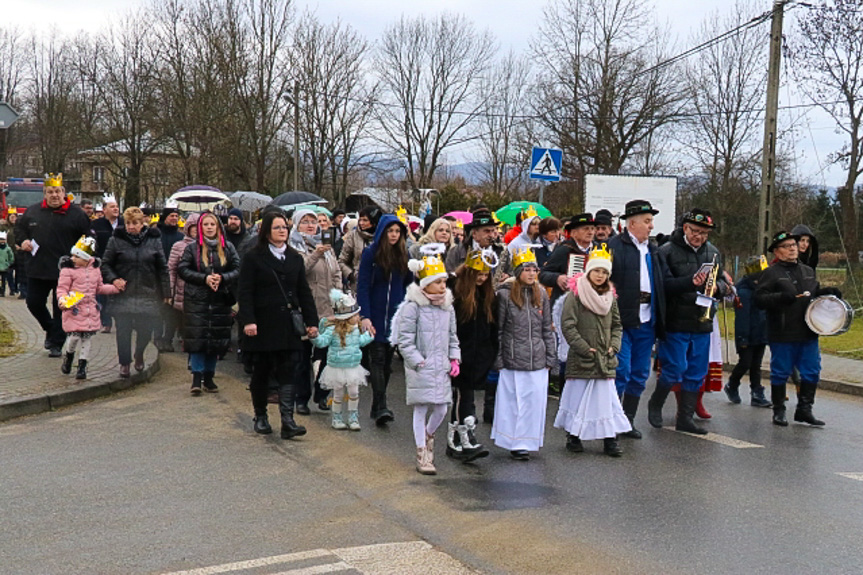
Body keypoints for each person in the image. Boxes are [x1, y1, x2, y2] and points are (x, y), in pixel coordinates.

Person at [238, 211, 319, 439]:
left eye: (284, 227)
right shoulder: (254, 257)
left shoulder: (294, 258)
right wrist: (249, 320)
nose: (282, 231)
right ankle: (261, 416)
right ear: (266, 231)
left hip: (287, 325)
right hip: (262, 325)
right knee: (262, 372)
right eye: (277, 228)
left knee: (288, 372)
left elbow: (304, 291)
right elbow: (245, 292)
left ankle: (287, 420)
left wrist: (311, 322)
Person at [647, 208, 727, 435]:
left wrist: (719, 288)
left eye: (704, 233)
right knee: (675, 368)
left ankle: (686, 417)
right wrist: (690, 282)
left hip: (702, 320)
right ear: (685, 228)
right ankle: (656, 403)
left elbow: (722, 280)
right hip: (676, 320)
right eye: (695, 231)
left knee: (696, 371)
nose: (699, 236)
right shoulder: (667, 251)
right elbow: (663, 286)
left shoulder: (712, 252)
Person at [755, 230, 840, 427]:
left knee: (812, 371)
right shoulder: (771, 273)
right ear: (777, 251)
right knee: (780, 371)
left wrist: (826, 293)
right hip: (783, 331)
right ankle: (779, 410)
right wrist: (779, 298)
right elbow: (759, 299)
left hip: (808, 330)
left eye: (794, 244)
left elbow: (812, 295)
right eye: (787, 246)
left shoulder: (807, 271)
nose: (792, 248)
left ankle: (804, 409)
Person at [554, 246, 629, 457]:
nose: (600, 275)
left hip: (605, 356)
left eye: (604, 272)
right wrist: (584, 348)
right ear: (589, 271)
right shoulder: (576, 295)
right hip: (583, 356)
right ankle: (573, 435)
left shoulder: (610, 297)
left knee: (606, 400)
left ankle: (609, 438)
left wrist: (614, 345)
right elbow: (568, 325)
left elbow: (617, 325)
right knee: (577, 398)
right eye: (597, 271)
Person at [393, 249, 460, 475]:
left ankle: (429, 435)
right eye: (438, 282)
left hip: (440, 367)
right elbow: (405, 339)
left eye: (444, 282)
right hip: (421, 366)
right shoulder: (413, 307)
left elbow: (452, 336)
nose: (443, 286)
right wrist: (417, 361)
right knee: (421, 407)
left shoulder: (447, 307)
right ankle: (422, 451)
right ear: (425, 283)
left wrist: (454, 358)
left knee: (441, 408)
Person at [14, 173, 92, 357]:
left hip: (65, 272)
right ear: (45, 194)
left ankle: (56, 343)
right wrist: (23, 240)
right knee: (33, 303)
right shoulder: (32, 212)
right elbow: (19, 229)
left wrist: (81, 257)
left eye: (57, 191)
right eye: (50, 192)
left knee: (62, 309)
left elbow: (88, 237)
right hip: (37, 268)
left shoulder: (77, 214)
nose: (54, 195)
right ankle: (51, 328)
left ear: (64, 192)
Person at [607, 200, 666, 439]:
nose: (651, 226)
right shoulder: (613, 246)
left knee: (640, 372)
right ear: (632, 223)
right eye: (647, 221)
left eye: (651, 221)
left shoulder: (654, 249)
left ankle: (628, 420)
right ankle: (612, 418)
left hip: (647, 318)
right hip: (622, 318)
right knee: (621, 370)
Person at [491, 246, 557, 460]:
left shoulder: (541, 296)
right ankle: (513, 440)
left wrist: (550, 356)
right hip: (513, 357)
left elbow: (547, 327)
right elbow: (499, 330)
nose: (531, 274)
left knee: (533, 402)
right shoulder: (505, 295)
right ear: (518, 271)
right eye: (526, 269)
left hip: (537, 357)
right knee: (513, 402)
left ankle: (529, 440)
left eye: (534, 270)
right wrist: (499, 358)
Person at [101, 207, 170, 378]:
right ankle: (124, 363)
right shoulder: (116, 240)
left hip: (147, 292)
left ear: (143, 223)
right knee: (123, 330)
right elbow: (105, 264)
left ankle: (139, 353)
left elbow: (162, 268)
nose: (131, 227)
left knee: (145, 330)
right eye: (129, 223)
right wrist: (114, 279)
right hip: (123, 293)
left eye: (135, 223)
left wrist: (166, 292)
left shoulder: (154, 240)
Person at [356, 213, 412, 425]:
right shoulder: (371, 254)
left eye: (397, 231)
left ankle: (377, 405)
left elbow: (408, 284)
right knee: (377, 359)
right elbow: (362, 285)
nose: (394, 235)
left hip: (395, 316)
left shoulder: (403, 255)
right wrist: (365, 315)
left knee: (387, 363)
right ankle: (381, 405)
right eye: (390, 231)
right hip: (376, 313)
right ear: (382, 231)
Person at [177, 212, 241, 394]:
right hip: (198, 300)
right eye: (206, 224)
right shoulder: (192, 249)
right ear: (200, 227)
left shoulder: (227, 247)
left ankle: (210, 376)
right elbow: (183, 269)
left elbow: (237, 268)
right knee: (198, 339)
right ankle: (196, 377)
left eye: (213, 224)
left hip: (220, 299)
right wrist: (204, 278)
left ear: (218, 226)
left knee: (216, 340)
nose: (210, 227)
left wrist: (222, 278)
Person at [290, 208, 343, 413]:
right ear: (297, 225)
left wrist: (338, 293)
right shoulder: (293, 246)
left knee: (326, 356)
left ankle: (321, 394)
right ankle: (301, 398)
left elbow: (336, 271)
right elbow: (299, 271)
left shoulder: (327, 247)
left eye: (314, 221)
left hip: (328, 308)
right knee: (302, 357)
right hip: (306, 308)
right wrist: (315, 254)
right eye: (305, 221)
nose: (311, 225)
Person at [446, 249, 497, 462]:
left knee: (465, 395)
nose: (482, 278)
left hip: (480, 353)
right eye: (478, 274)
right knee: (462, 394)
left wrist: (490, 352)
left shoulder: (488, 295)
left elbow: (492, 326)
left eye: (485, 275)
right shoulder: (456, 291)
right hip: (460, 352)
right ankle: (462, 439)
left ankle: (459, 438)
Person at [56, 236, 120, 379]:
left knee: (86, 338)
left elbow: (99, 288)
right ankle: (69, 356)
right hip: (74, 308)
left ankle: (82, 365)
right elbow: (62, 288)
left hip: (90, 309)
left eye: (76, 256)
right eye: (72, 255)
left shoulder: (95, 270)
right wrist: (62, 300)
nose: (73, 258)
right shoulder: (68, 270)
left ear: (85, 258)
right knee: (74, 336)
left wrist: (115, 289)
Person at [311, 289, 374, 431]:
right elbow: (322, 342)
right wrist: (315, 337)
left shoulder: (356, 330)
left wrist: (369, 335)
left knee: (354, 393)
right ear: (347, 317)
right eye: (356, 315)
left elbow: (361, 342)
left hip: (353, 366)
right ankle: (337, 418)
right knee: (338, 394)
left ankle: (353, 418)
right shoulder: (332, 330)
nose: (358, 317)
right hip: (336, 367)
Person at [724, 256, 772, 408]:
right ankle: (732, 384)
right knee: (745, 363)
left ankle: (757, 392)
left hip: (761, 333)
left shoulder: (763, 290)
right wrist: (742, 338)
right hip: (747, 334)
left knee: (756, 365)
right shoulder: (744, 292)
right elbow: (742, 318)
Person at [540, 213, 596, 303]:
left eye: (592, 229)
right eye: (586, 229)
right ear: (574, 233)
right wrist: (557, 278)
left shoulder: (599, 250)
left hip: (591, 302)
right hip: (567, 302)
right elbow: (543, 274)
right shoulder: (564, 250)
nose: (590, 232)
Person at [445, 208, 510, 285]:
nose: (491, 235)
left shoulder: (501, 250)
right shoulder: (457, 251)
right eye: (487, 231)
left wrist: (508, 275)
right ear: (474, 234)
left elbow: (511, 271)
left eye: (493, 231)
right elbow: (449, 277)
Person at [166, 213, 200, 352]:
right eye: (194, 228)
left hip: (198, 289)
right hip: (181, 288)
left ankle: (191, 342)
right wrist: (170, 290)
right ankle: (169, 340)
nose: (197, 231)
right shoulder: (178, 246)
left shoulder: (207, 246)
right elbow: (171, 269)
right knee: (176, 318)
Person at [91, 194, 123, 333]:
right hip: (102, 264)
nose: (116, 209)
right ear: (104, 210)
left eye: (117, 206)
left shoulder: (124, 223)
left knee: (119, 292)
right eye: (112, 207)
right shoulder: (96, 225)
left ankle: (121, 320)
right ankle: (106, 321)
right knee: (103, 293)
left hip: (121, 263)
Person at [155, 205, 185, 353]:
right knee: (159, 310)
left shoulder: (180, 237)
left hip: (174, 278)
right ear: (165, 217)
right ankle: (158, 337)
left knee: (172, 311)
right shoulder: (156, 234)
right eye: (171, 216)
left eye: (176, 216)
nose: (174, 218)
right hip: (157, 277)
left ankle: (168, 338)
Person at [339, 206, 378, 294]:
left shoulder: (382, 236)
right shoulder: (353, 236)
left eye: (365, 220)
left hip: (378, 283)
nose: (361, 223)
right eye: (360, 220)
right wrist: (351, 275)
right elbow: (342, 261)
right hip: (358, 284)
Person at [0, 232, 13, 296]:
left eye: (3, 239)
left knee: (3, 280)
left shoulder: (8, 248)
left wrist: (9, 263)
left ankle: (3, 291)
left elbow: (11, 257)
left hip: (5, 267)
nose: (2, 241)